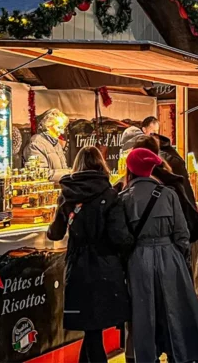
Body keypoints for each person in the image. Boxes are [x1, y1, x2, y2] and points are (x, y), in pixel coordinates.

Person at [120, 148, 198, 363]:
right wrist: (179, 256)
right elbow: (182, 233)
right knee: (176, 309)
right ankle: (180, 352)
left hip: (139, 260)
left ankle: (146, 355)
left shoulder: (124, 198)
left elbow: (121, 237)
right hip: (170, 256)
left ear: (130, 169)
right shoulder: (168, 194)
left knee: (144, 314)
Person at [47, 147, 132, 363]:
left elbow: (55, 234)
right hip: (105, 266)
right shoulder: (110, 195)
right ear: (101, 164)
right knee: (94, 328)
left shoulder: (67, 195)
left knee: (91, 328)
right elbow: (119, 236)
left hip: (78, 267)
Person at [132, 135, 198, 244]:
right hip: (169, 246)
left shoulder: (127, 191)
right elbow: (182, 226)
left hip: (142, 249)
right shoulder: (171, 182)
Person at [27, 108, 71, 182]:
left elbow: (64, 168)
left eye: (63, 128)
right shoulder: (35, 144)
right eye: (59, 127)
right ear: (48, 126)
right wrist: (69, 173)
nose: (62, 132)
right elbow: (40, 174)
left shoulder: (56, 144)